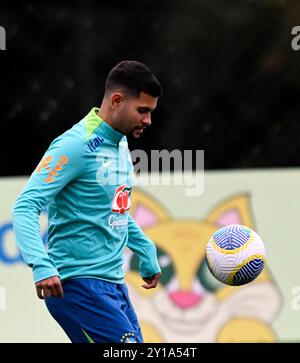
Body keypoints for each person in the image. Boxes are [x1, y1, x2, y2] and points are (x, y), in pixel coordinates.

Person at [12, 60, 162, 343]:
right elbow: (25, 206)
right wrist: (41, 264)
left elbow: (112, 209)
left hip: (113, 286)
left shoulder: (119, 142)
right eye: (143, 111)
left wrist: (145, 248)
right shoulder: (76, 145)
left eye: (151, 112)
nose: (148, 121)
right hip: (78, 287)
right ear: (117, 100)